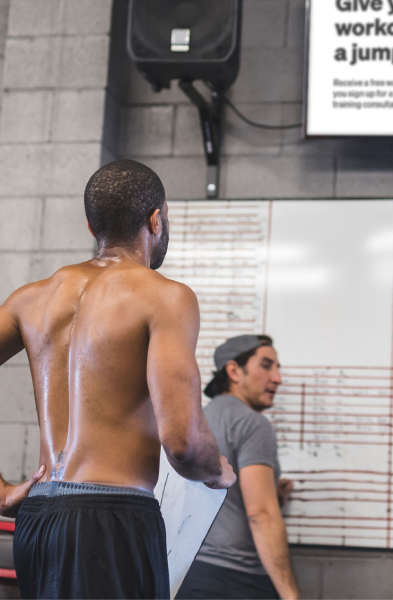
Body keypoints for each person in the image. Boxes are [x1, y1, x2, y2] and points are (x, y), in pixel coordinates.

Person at [0, 159, 236, 600]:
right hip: (110, 522)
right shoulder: (164, 296)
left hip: (38, 520)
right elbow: (182, 443)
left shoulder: (30, 299)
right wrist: (218, 471)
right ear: (156, 220)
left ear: (92, 226)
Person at [176, 334, 299, 600]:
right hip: (238, 579)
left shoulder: (198, 419)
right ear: (234, 370)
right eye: (266, 366)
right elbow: (261, 514)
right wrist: (291, 596)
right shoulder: (251, 424)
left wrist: (273, 494)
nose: (277, 378)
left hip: (190, 575)